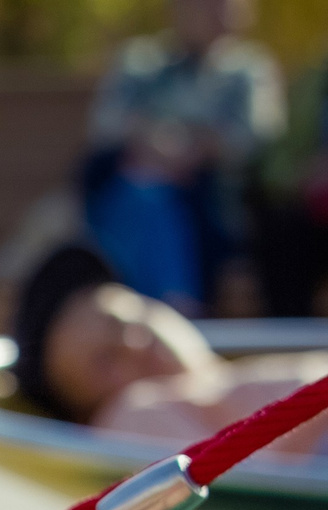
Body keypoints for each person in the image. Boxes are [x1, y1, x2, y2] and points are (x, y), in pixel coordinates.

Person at [12, 240, 328, 455]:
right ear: (86, 414)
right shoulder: (131, 417)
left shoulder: (232, 382)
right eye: (105, 362)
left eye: (123, 320)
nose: (134, 345)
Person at [81, 0, 282, 314]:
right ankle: (172, 310)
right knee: (144, 197)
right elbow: (105, 126)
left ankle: (146, 313)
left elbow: (257, 138)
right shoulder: (142, 61)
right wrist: (152, 144)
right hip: (127, 194)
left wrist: (193, 149)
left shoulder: (248, 69)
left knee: (148, 200)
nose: (221, 12)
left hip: (211, 203)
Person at [251, 52, 328, 315]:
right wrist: (302, 175)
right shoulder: (314, 83)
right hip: (310, 205)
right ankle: (288, 329)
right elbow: (276, 162)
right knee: (280, 225)